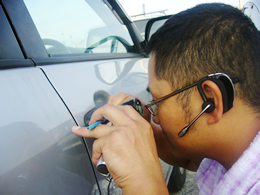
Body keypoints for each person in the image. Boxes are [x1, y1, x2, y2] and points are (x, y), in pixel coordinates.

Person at [72, 3, 260, 194]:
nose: (156, 117)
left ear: (210, 101)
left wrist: (143, 184)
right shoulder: (231, 151)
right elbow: (190, 159)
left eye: (158, 101)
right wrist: (141, 126)